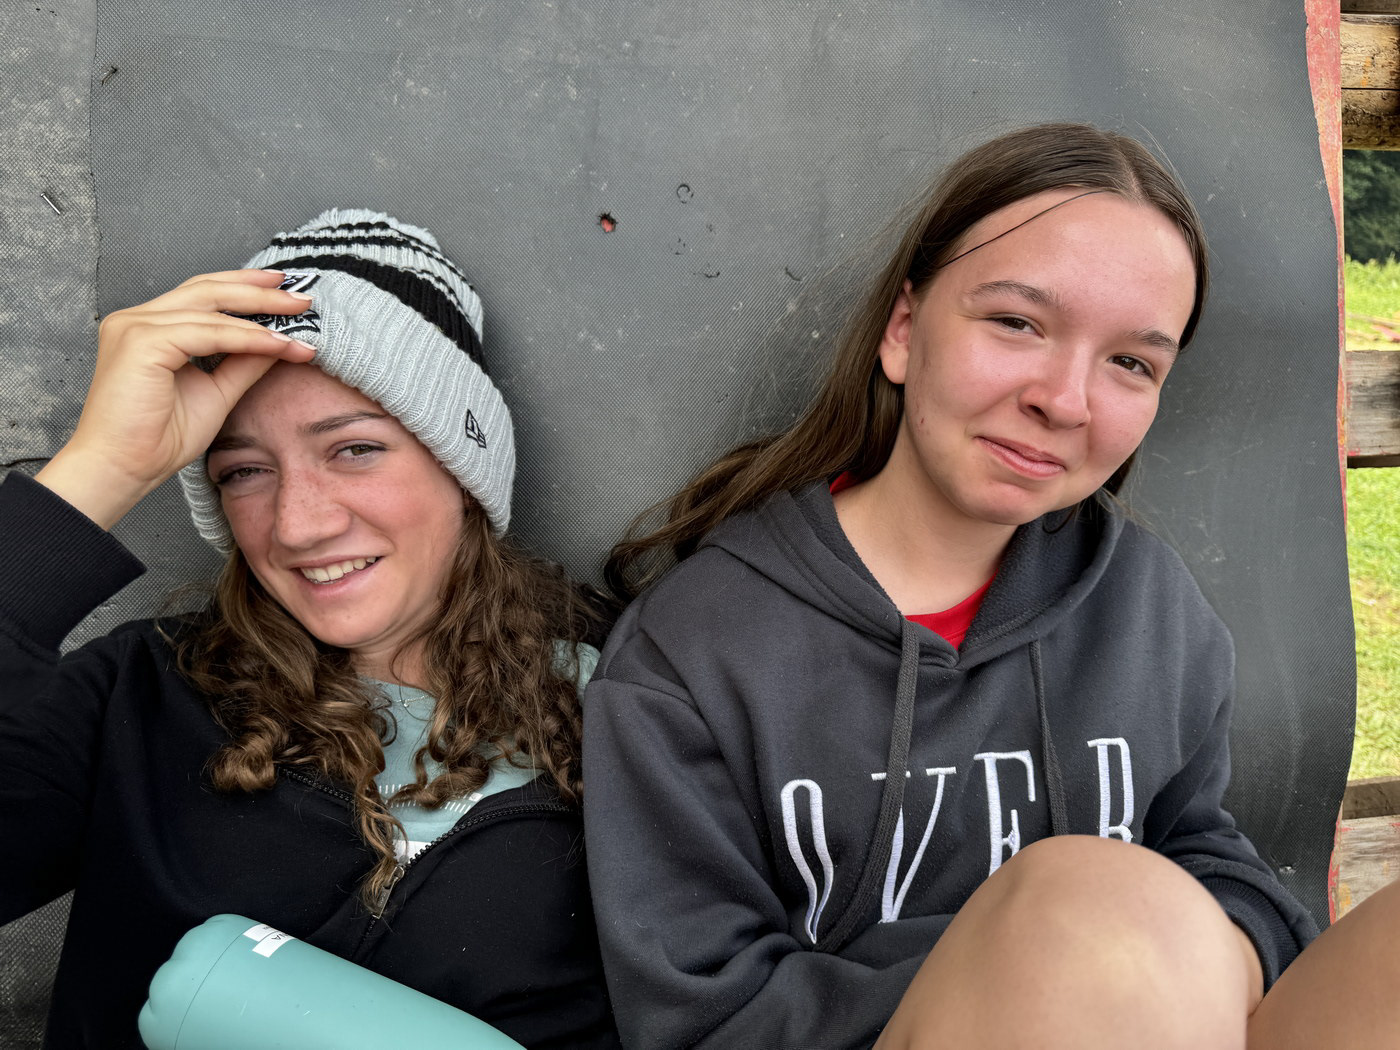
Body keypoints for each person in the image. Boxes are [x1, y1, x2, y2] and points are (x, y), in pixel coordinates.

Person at [583, 124, 1400, 1049]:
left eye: (1131, 363)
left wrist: (1182, 969)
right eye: (1017, 323)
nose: (1065, 399)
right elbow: (702, 1017)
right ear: (903, 331)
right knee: (1089, 910)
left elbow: (1209, 854)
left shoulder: (1148, 605)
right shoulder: (693, 651)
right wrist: (1048, 972)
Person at [0, 210, 619, 1048]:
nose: (297, 524)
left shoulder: (636, 701)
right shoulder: (141, 698)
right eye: (244, 471)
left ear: (463, 469)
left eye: (354, 449)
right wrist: (99, 470)